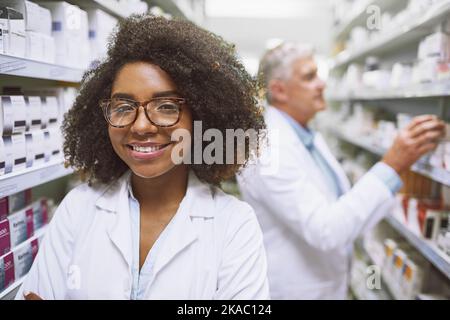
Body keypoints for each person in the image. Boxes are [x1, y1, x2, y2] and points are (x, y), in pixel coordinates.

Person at [17, 15, 269, 300]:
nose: (140, 126)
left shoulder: (234, 224)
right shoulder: (78, 209)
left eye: (165, 106)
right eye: (123, 106)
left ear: (201, 116)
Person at [237, 42, 446, 299]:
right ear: (279, 90)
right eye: (309, 77)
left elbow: (340, 205)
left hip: (328, 282)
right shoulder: (268, 150)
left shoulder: (305, 133)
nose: (322, 84)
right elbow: (327, 230)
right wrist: (393, 164)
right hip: (298, 291)